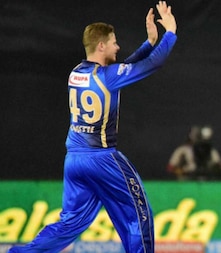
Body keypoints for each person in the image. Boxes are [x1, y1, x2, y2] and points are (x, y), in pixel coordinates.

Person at [8, 2, 177, 253]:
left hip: (74, 160)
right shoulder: (108, 76)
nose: (118, 47)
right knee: (138, 215)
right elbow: (153, 64)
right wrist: (170, 32)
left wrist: (149, 42)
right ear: (101, 45)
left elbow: (124, 68)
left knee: (70, 223)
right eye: (114, 42)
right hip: (103, 159)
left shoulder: (76, 73)